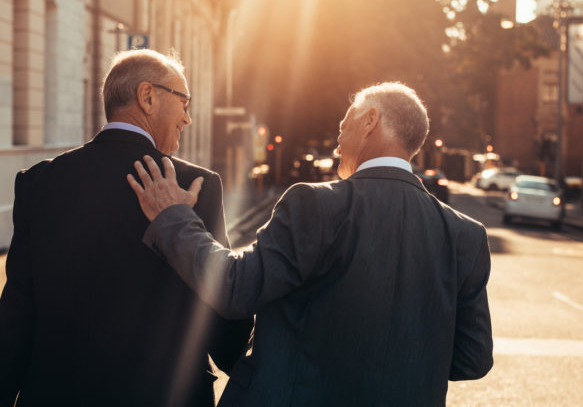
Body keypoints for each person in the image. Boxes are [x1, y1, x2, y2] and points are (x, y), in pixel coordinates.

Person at [128, 82, 493, 406]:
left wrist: (174, 218)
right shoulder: (466, 235)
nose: (338, 137)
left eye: (344, 122)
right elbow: (472, 358)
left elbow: (236, 288)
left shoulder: (315, 204)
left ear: (370, 121)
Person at [0, 49, 253, 407]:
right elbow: (220, 313)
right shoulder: (195, 185)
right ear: (147, 96)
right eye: (185, 101)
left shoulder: (39, 182)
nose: (188, 118)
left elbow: (16, 316)